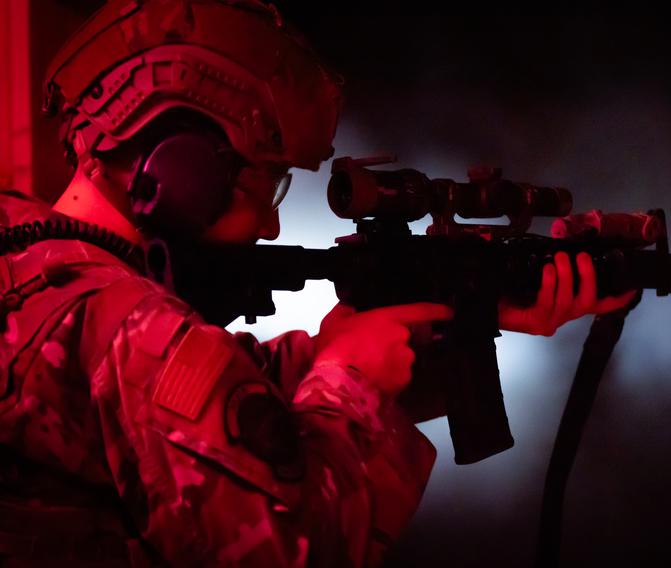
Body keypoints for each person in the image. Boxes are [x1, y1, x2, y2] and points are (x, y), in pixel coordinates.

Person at [0, 0, 638, 565]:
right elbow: (293, 545)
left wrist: (386, 338)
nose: (274, 221)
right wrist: (352, 385)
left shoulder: (35, 272)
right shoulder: (130, 325)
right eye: (268, 181)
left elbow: (186, 414)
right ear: (183, 169)